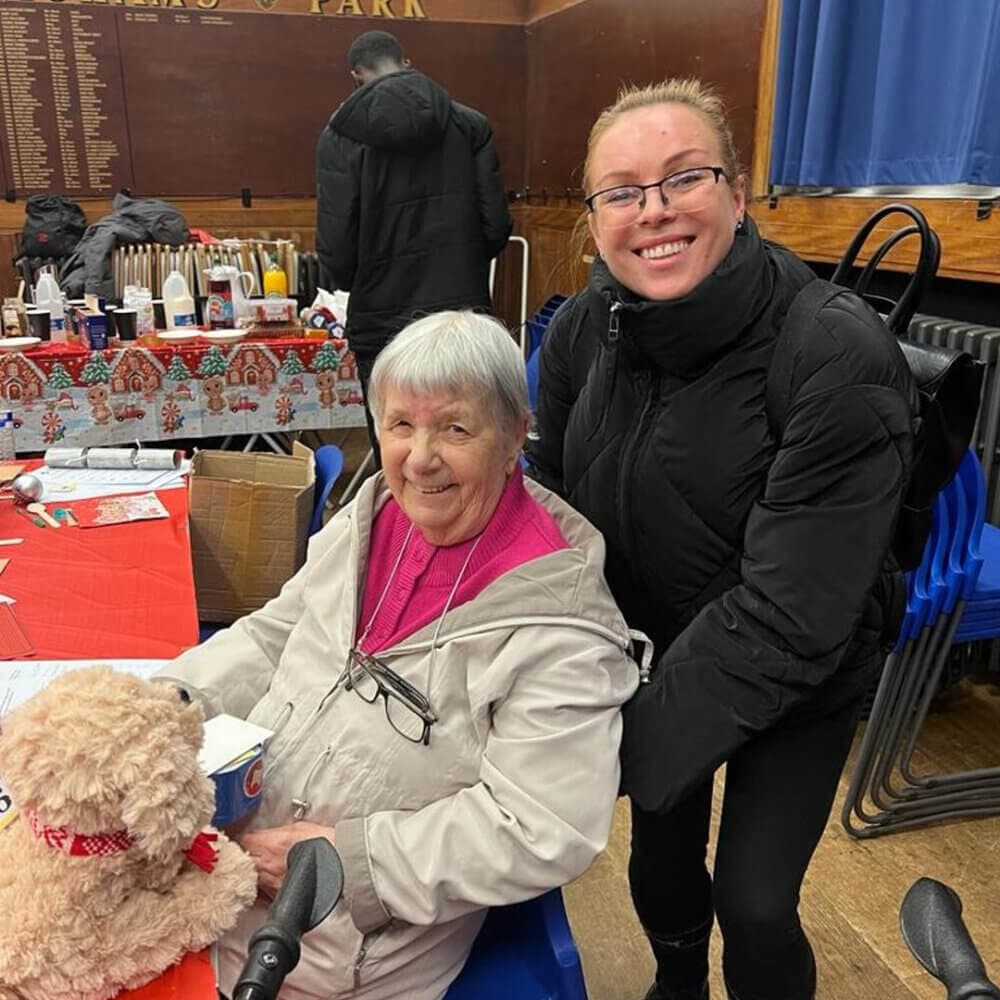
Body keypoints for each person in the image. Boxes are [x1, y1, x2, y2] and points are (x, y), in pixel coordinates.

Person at [526, 79, 916, 1000]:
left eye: (683, 178)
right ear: (595, 218)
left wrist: (608, 757)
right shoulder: (588, 328)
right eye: (621, 191)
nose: (653, 211)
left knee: (754, 900)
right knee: (660, 856)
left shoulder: (833, 354)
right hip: (652, 640)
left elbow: (793, 612)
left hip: (803, 658)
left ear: (737, 195)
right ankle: (675, 983)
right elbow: (550, 491)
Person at [158, 311, 638, 1000]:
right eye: (400, 424)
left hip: (324, 940)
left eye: (455, 427)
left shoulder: (561, 628)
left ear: (514, 438)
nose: (419, 457)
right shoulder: (372, 514)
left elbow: (541, 826)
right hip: (218, 860)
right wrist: (168, 705)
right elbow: (274, 634)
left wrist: (344, 862)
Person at [315, 30, 513, 465]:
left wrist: (363, 279)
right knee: (468, 445)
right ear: (406, 61)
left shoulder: (340, 138)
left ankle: (404, 535)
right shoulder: (470, 125)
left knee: (399, 454)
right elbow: (496, 227)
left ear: (357, 75)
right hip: (462, 315)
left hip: (382, 322)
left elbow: (337, 252)